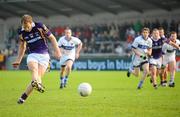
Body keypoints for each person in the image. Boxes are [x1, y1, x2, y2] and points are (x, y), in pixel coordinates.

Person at [12, 14, 61, 104]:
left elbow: (52, 38)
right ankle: (38, 84)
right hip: (32, 55)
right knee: (34, 71)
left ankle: (23, 98)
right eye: (24, 27)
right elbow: (22, 47)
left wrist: (57, 51)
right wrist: (18, 60)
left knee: (37, 78)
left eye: (27, 26)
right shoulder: (21, 32)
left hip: (44, 56)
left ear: (31, 23)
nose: (26, 29)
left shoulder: (40, 26)